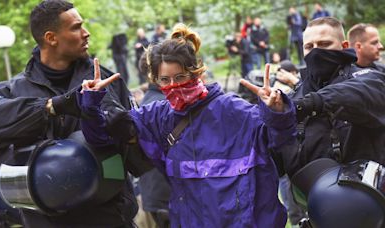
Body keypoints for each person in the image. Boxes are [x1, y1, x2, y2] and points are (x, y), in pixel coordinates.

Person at [80, 23, 297, 227]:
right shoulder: (157, 117)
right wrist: (90, 103)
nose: (174, 86)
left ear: (197, 72)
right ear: (155, 80)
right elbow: (102, 137)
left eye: (181, 77)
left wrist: (276, 110)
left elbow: (281, 141)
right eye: (165, 80)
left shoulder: (234, 110)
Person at [0, 0, 142, 227]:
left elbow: (141, 163)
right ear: (51, 38)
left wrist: (131, 137)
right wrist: (52, 106)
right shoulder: (13, 90)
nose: (86, 33)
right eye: (76, 27)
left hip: (110, 218)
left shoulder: (107, 83)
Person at [273, 17, 385, 227]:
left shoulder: (368, 78)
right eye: (309, 46)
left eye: (324, 44)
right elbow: (278, 159)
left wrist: (310, 104)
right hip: (320, 214)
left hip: (373, 208)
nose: (316, 51)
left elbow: (359, 95)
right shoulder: (293, 98)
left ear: (344, 46)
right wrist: (271, 119)